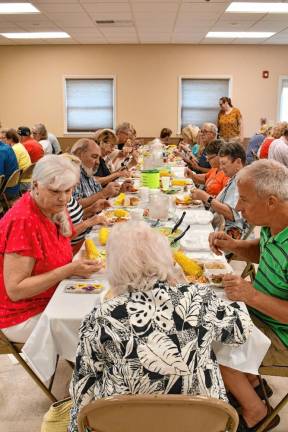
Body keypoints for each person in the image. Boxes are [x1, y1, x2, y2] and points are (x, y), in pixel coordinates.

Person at [68, 220, 252, 432]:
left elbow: (83, 389)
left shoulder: (99, 317)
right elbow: (241, 332)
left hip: (123, 424)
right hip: (199, 424)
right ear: (167, 259)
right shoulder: (198, 300)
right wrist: (185, 286)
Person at [209, 159, 288, 431]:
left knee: (212, 342)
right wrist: (233, 245)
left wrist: (251, 296)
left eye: (244, 199)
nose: (239, 207)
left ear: (271, 202)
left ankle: (257, 412)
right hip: (263, 315)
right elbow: (263, 250)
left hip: (283, 334)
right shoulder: (273, 224)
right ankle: (252, 382)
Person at [0, 155, 102, 343]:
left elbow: (53, 242)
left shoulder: (53, 208)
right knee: (99, 331)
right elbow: (15, 290)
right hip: (20, 314)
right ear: (36, 185)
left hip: (51, 295)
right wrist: (69, 269)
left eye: (68, 190)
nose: (63, 198)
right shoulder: (24, 221)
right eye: (55, 191)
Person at [191, 142, 246, 238]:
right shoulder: (234, 177)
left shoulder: (242, 182)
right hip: (219, 226)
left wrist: (206, 197)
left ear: (238, 162)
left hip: (229, 235)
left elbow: (233, 215)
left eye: (224, 163)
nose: (221, 167)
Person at [70, 138, 132, 212]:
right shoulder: (71, 175)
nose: (98, 162)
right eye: (94, 157)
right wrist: (103, 193)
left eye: (99, 158)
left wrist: (119, 191)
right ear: (79, 155)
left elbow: (100, 197)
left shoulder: (88, 172)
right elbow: (74, 206)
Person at [4, 128, 32, 193]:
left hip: (22, 183)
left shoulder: (14, 149)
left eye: (5, 138)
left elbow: (11, 167)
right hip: (28, 180)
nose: (4, 141)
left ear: (10, 139)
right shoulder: (20, 145)